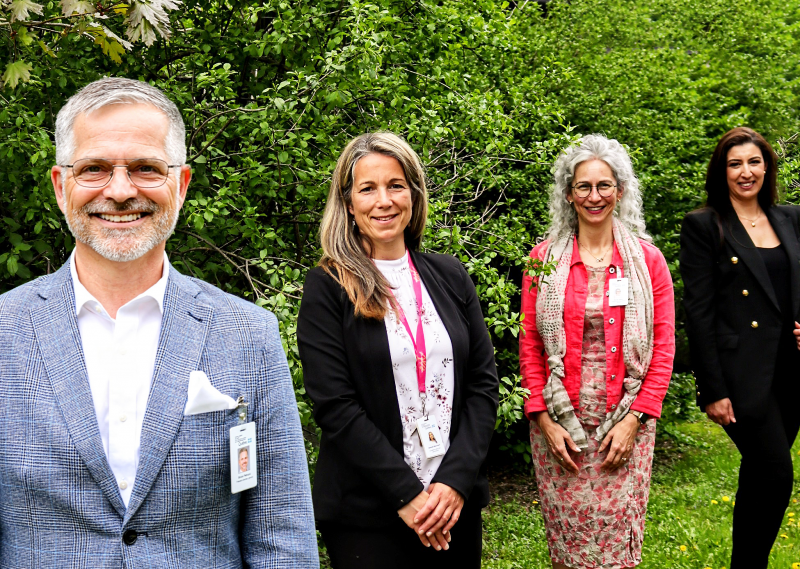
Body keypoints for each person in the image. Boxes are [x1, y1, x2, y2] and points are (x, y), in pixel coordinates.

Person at [0, 78, 318, 567]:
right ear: (62, 187)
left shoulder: (249, 334)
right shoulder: (6, 330)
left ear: (181, 184)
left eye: (146, 168)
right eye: (95, 169)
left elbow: (281, 533)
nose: (121, 190)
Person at [297, 132, 499, 568]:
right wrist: (407, 494)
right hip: (370, 513)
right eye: (367, 189)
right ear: (348, 203)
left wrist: (454, 483)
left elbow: (483, 386)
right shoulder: (328, 287)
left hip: (453, 507)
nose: (383, 200)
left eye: (395, 185)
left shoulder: (449, 274)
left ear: (414, 193)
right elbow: (335, 406)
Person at [520, 134, 675, 569]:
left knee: (615, 546)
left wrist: (635, 419)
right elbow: (530, 344)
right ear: (568, 194)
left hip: (625, 422)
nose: (594, 196)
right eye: (583, 186)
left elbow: (663, 347)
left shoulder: (648, 262)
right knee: (568, 545)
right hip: (560, 422)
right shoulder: (543, 260)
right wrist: (544, 420)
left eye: (604, 185)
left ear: (620, 190)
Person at [680, 126, 800, 569]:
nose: (745, 172)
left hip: (791, 371)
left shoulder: (791, 217)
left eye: (753, 162)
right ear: (722, 171)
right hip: (741, 374)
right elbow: (699, 309)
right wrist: (712, 388)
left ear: (766, 166)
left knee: (760, 474)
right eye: (735, 164)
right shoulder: (704, 225)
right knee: (776, 472)